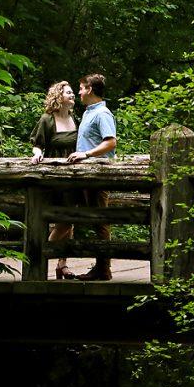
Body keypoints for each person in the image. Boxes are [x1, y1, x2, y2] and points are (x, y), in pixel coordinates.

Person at [67, 73, 117, 281]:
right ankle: (100, 267)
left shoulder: (102, 114)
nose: (78, 92)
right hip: (87, 175)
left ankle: (103, 269)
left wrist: (86, 154)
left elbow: (110, 142)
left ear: (89, 89)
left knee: (100, 221)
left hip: (99, 174)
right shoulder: (89, 112)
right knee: (91, 219)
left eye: (80, 88)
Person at [29, 81, 79, 279]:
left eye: (73, 92)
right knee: (63, 220)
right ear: (59, 96)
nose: (73, 95)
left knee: (71, 220)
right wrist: (37, 154)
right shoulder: (47, 119)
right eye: (69, 92)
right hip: (55, 178)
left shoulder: (75, 119)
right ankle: (41, 253)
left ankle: (62, 264)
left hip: (74, 177)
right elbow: (37, 143)